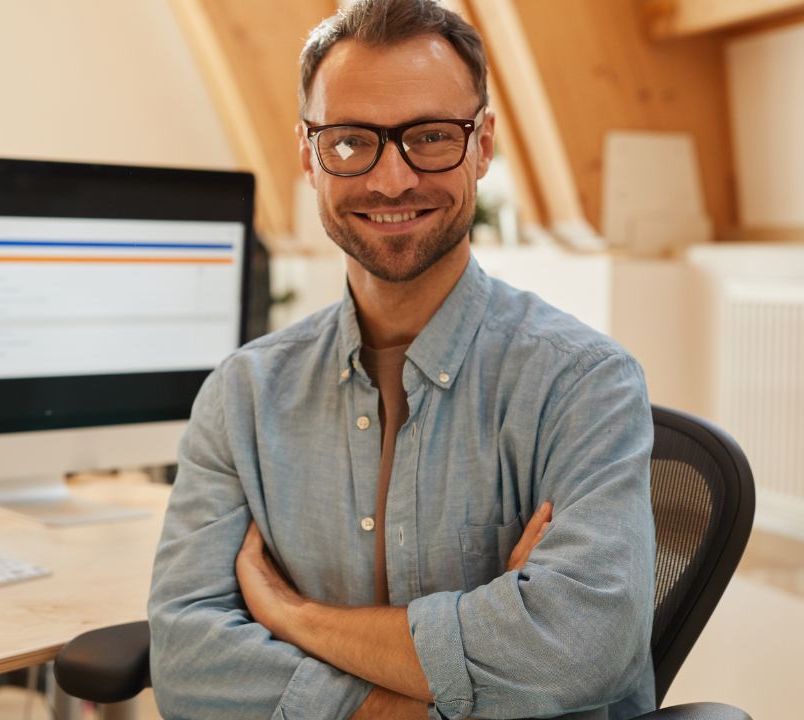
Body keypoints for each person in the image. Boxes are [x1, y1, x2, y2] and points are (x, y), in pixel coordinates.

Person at [146, 1, 657, 718]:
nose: (391, 180)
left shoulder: (583, 384)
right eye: (352, 141)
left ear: (482, 146)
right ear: (307, 153)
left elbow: (579, 648)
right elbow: (188, 663)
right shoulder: (243, 396)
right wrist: (445, 679)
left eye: (430, 137)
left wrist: (293, 617)